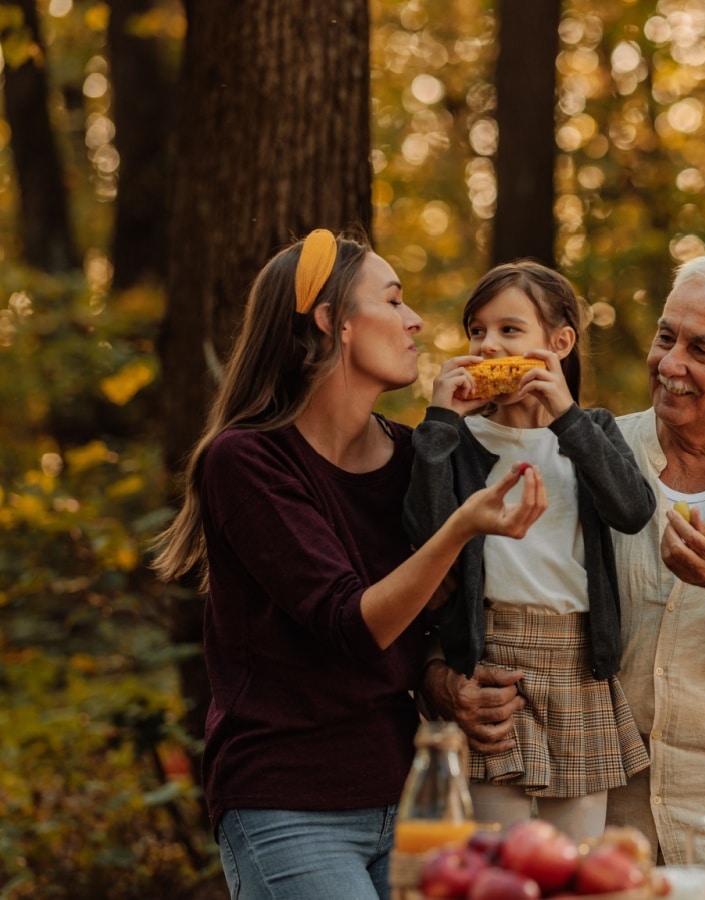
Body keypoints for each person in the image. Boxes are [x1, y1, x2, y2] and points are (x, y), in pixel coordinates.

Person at [424, 252, 705, 865]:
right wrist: (444, 681)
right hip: (605, 815)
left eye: (703, 349)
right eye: (667, 337)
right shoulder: (587, 447)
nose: (671, 364)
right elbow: (461, 582)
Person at [150, 230, 545, 900]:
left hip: (409, 793)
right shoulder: (246, 462)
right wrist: (460, 528)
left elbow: (425, 622)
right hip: (289, 803)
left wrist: (448, 684)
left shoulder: (413, 454)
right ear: (331, 321)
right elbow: (352, 625)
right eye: (392, 301)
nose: (416, 319)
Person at [405, 261, 655, 840]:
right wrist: (440, 421)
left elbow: (632, 509)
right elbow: (426, 531)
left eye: (509, 330)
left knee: (576, 864)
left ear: (559, 343)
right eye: (476, 330)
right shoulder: (459, 441)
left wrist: (567, 416)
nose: (487, 343)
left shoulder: (589, 430)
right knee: (498, 860)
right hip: (495, 667)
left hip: (577, 663)